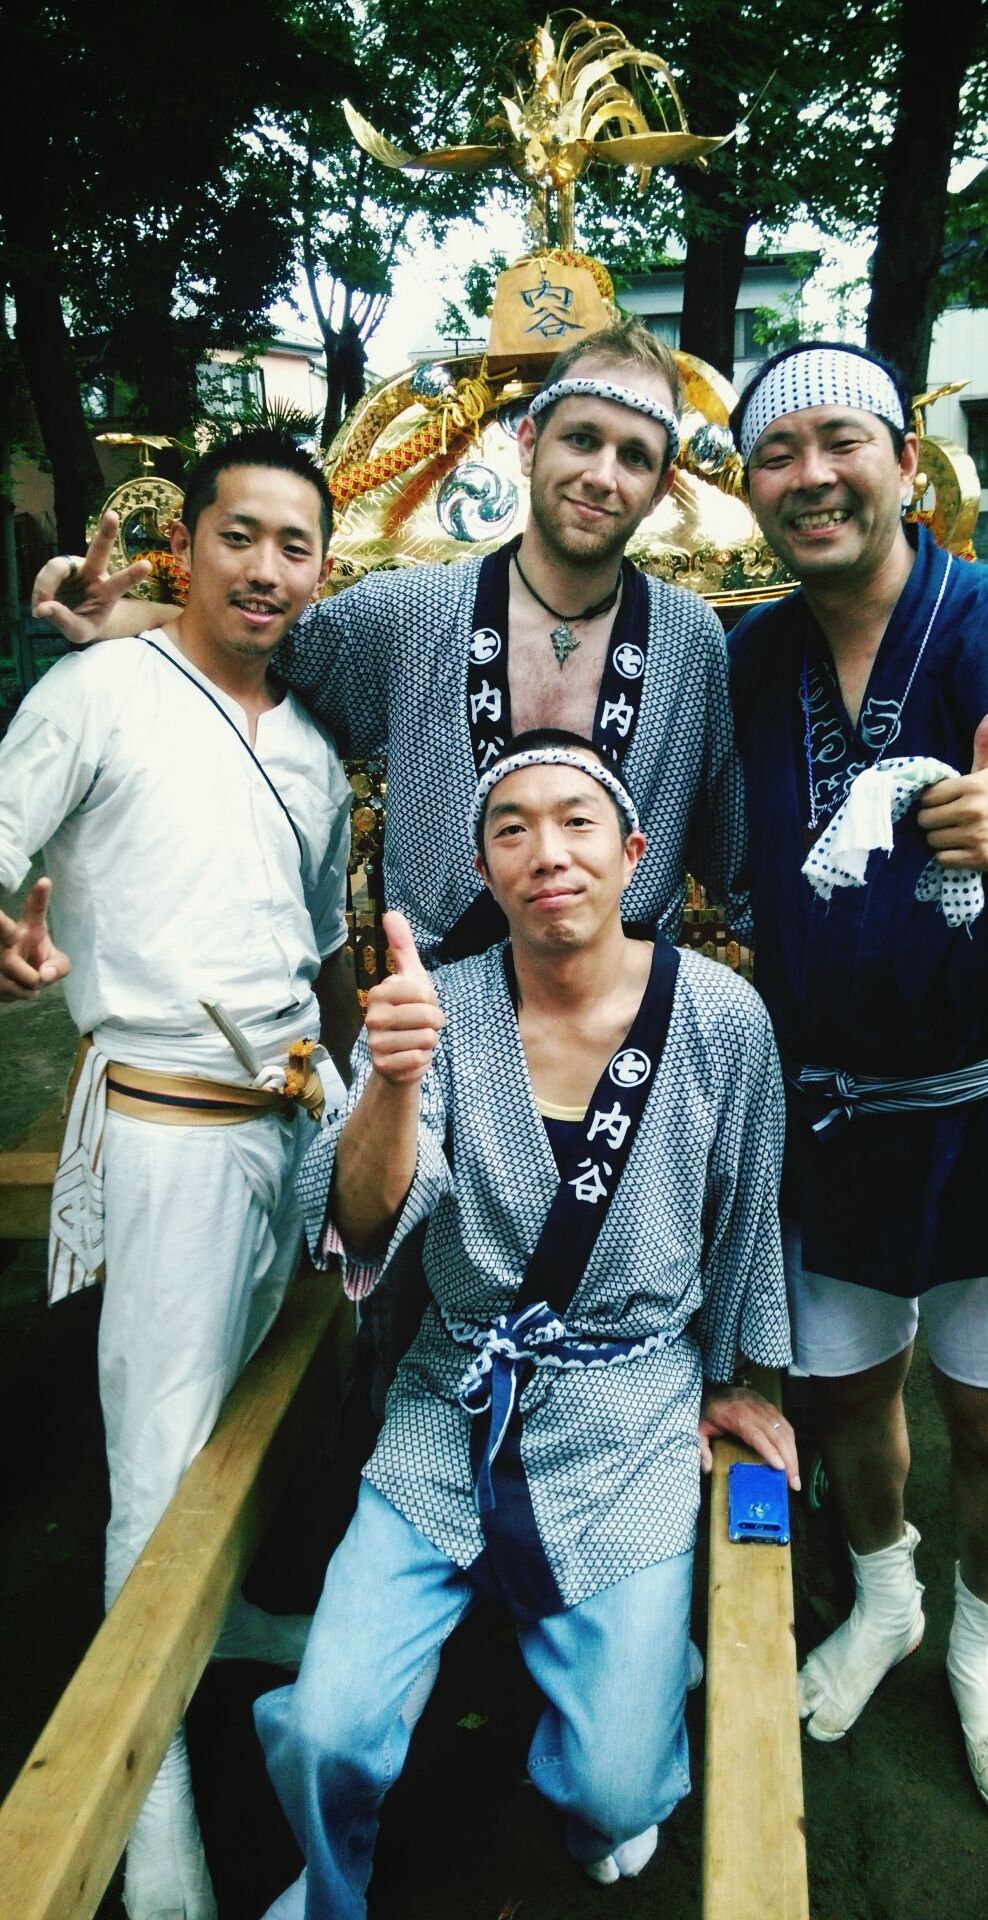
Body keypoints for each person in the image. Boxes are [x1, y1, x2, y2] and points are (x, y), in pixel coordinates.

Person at [253, 731, 796, 1916]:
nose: (546, 852)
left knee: (612, 1793)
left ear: (635, 854)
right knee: (328, 1732)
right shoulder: (429, 1014)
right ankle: (329, 1881)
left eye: (576, 822)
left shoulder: (722, 1020)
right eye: (512, 831)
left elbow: (747, 1212)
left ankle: (598, 1728)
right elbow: (352, 1224)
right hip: (455, 1405)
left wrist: (729, 1378)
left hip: (627, 1407)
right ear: (487, 871)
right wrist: (391, 1085)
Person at [0, 429, 361, 1920]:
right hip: (163, 1125)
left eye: (294, 546)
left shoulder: (315, 747)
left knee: (255, 1413)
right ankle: (152, 1832)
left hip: (291, 1118)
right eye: (240, 536)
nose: (265, 568)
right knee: (152, 1469)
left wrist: (350, 1115)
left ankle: (228, 1629)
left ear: (321, 572)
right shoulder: (95, 691)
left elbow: (322, 952)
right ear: (185, 546)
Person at [726, 341, 988, 1816]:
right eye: (775, 452)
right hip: (830, 1114)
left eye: (839, 442)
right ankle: (887, 1598)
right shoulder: (751, 657)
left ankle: (984, 1645)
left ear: (905, 465)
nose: (810, 475)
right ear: (749, 488)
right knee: (850, 1396)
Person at [32, 317, 748, 965]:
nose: (601, 475)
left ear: (659, 490)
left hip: (625, 1031)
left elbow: (732, 858)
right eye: (582, 439)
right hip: (443, 1027)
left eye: (634, 457)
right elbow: (254, 639)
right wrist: (119, 617)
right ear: (529, 444)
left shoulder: (690, 641)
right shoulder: (410, 611)